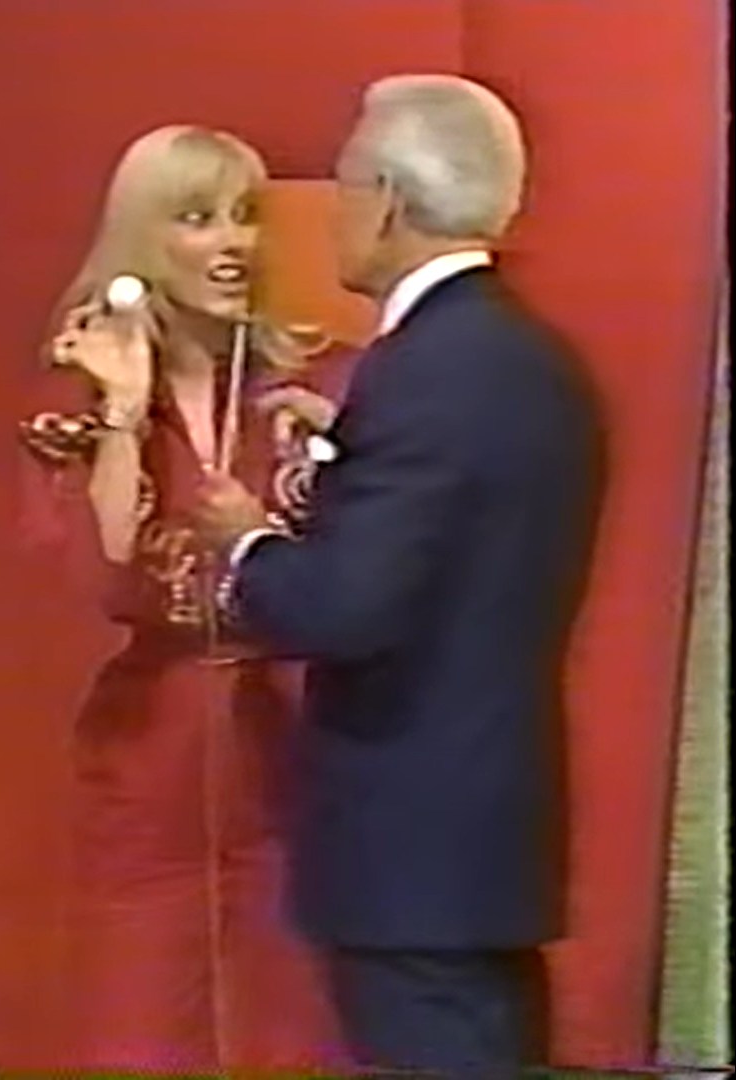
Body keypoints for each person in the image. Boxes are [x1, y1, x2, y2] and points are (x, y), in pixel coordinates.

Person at [195, 75, 604, 1077]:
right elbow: (467, 536)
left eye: (339, 186)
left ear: (385, 197)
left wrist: (249, 541)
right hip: (484, 841)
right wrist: (347, 453)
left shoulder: (424, 369)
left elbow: (348, 609)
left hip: (411, 844)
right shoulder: (529, 359)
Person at [19, 125, 350, 1074]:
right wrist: (124, 414)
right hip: (151, 746)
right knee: (142, 1011)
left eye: (245, 217)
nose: (232, 243)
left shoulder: (315, 376)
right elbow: (105, 575)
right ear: (142, 241)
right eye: (197, 219)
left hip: (296, 739)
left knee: (290, 1013)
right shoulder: (78, 392)